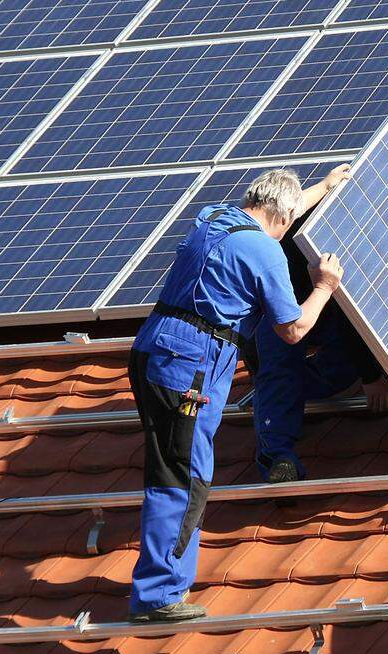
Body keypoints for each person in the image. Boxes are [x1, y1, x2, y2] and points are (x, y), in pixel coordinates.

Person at [126, 165, 350, 623]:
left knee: (169, 464)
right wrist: (324, 287)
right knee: (183, 476)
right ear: (283, 220)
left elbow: (278, 210)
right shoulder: (266, 253)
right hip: (191, 366)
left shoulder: (214, 218)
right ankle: (159, 595)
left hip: (152, 350)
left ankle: (159, 583)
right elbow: (293, 329)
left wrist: (324, 188)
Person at [250, 208, 388, 483]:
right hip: (283, 308)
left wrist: (369, 372)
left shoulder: (360, 227)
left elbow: (349, 311)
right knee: (276, 370)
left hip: (328, 306)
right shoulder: (293, 240)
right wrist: (372, 377)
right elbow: (346, 313)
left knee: (329, 369)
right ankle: (279, 458)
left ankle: (287, 395)